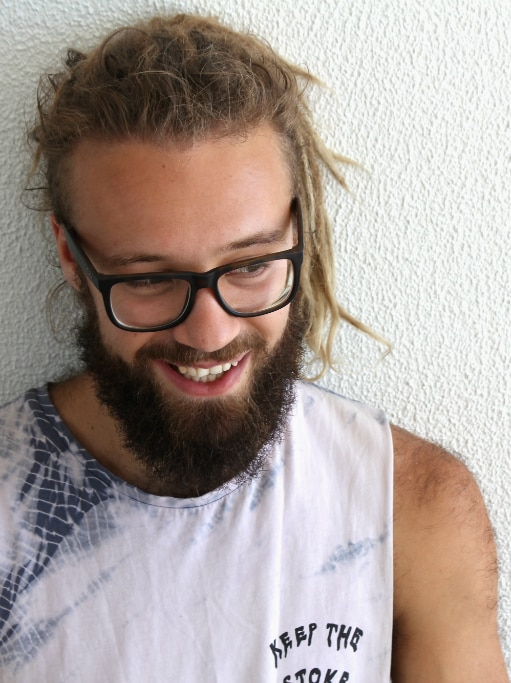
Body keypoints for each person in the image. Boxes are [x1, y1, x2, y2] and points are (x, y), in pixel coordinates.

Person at [0, 13, 507, 682]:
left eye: (250, 264)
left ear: (299, 231)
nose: (207, 333)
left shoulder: (412, 510)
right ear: (71, 257)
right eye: (150, 277)